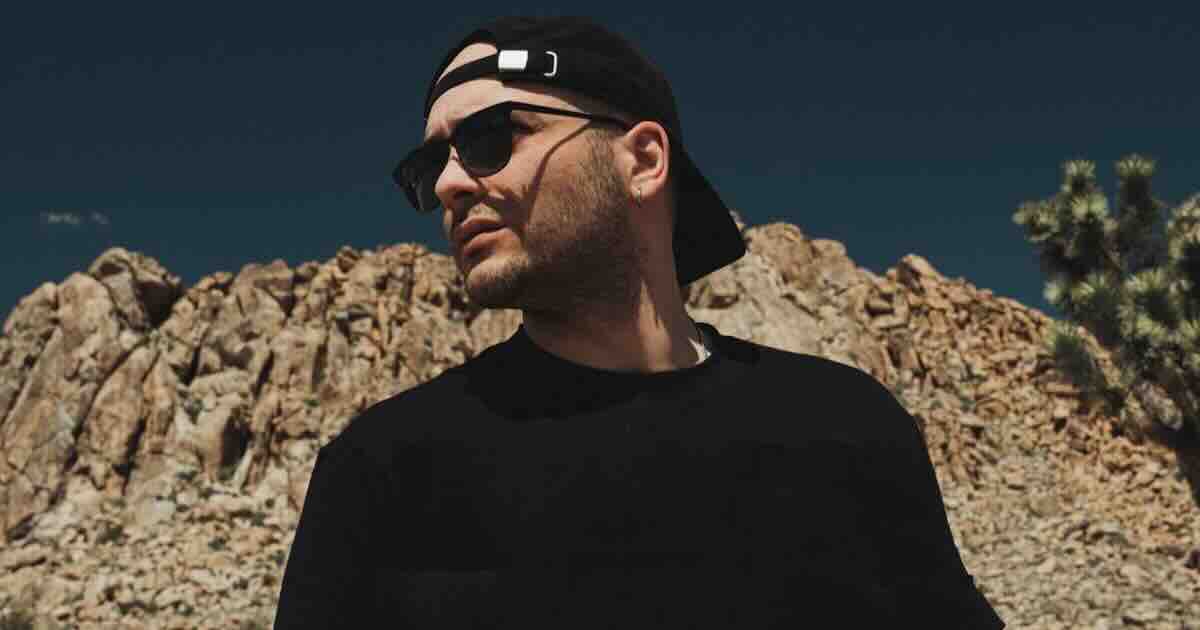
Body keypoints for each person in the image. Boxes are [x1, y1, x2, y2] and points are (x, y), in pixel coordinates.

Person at [272, 16, 1006, 629]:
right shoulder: (382, 471)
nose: (449, 184)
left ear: (644, 160)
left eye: (492, 138)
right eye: (429, 165)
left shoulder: (846, 426)